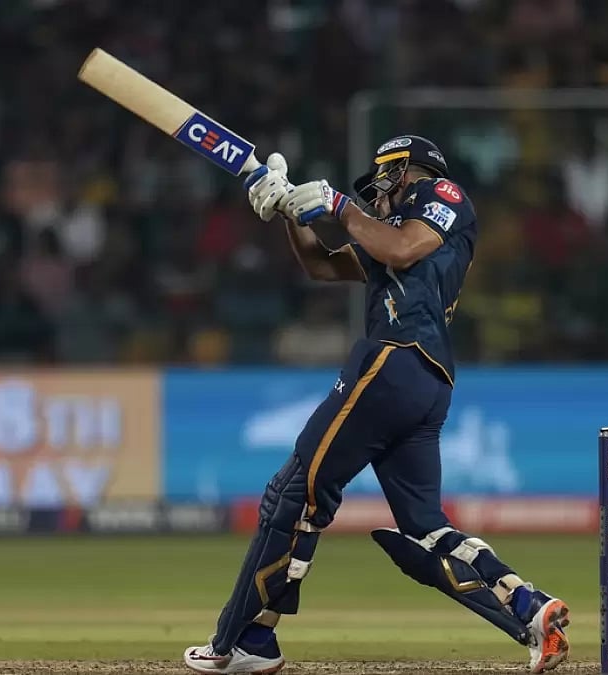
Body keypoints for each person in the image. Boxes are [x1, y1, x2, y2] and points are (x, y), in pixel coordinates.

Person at [183, 136, 570, 674]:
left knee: (295, 492)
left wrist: (339, 205)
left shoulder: (442, 194)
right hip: (423, 383)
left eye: (386, 179)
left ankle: (239, 642)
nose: (378, 195)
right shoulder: (387, 231)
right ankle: (528, 608)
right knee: (425, 530)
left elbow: (403, 247)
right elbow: (323, 266)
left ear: (409, 170)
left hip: (397, 359)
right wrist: (286, 208)